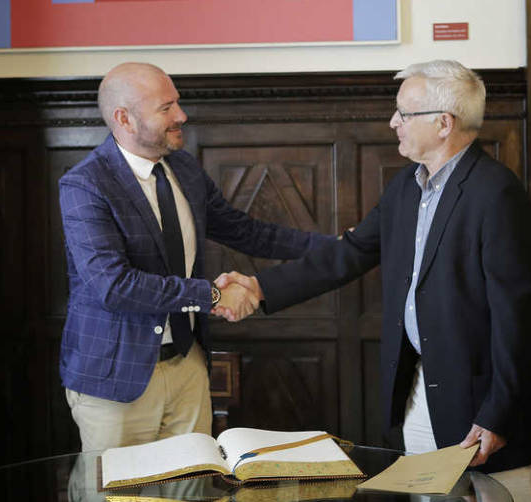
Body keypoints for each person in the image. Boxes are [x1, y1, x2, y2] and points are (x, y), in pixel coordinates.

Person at [215, 60, 531, 501]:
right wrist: (260, 288)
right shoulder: (405, 188)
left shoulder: (496, 193)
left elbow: (518, 318)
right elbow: (349, 254)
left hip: (479, 409)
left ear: (443, 123)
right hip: (420, 394)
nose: (394, 123)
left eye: (404, 114)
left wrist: (498, 414)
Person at [58, 62, 333, 453]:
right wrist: (214, 296)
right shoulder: (85, 185)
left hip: (187, 365)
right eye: (166, 108)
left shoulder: (183, 168)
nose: (181, 116)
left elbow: (245, 232)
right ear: (124, 119)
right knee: (118, 495)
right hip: (114, 377)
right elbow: (114, 286)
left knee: (191, 490)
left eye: (178, 103)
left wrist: (337, 247)